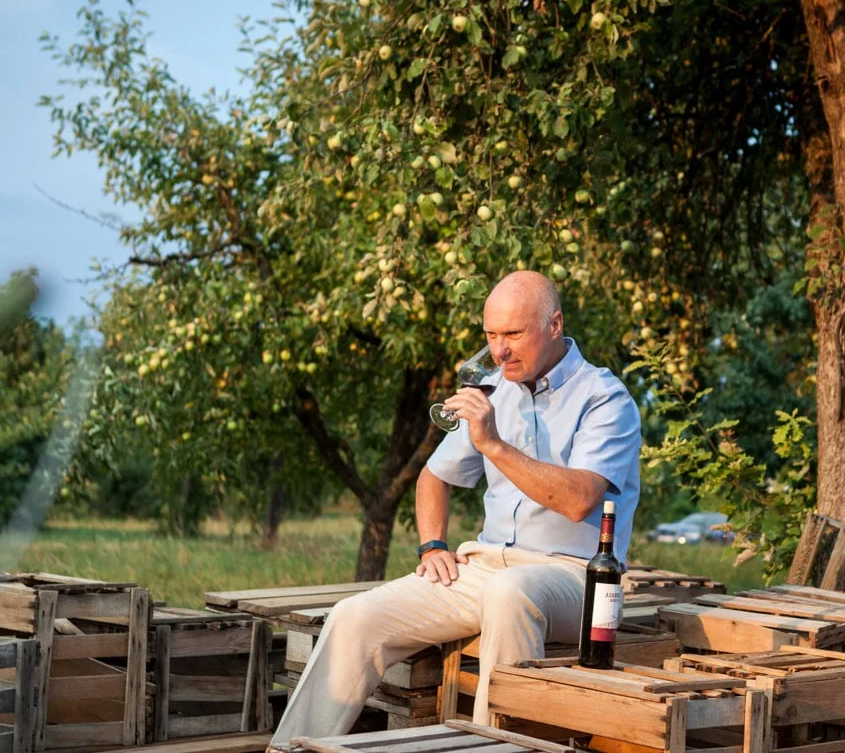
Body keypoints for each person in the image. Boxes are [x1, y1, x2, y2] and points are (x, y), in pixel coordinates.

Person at [267, 271, 641, 751]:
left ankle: (493, 746)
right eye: (490, 336)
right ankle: (289, 750)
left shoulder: (605, 398)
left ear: (554, 324)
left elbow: (579, 500)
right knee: (354, 616)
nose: (500, 351)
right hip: (485, 565)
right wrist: (433, 545)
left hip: (576, 577)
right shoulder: (496, 389)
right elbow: (433, 476)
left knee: (511, 592)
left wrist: (493, 444)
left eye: (512, 335)